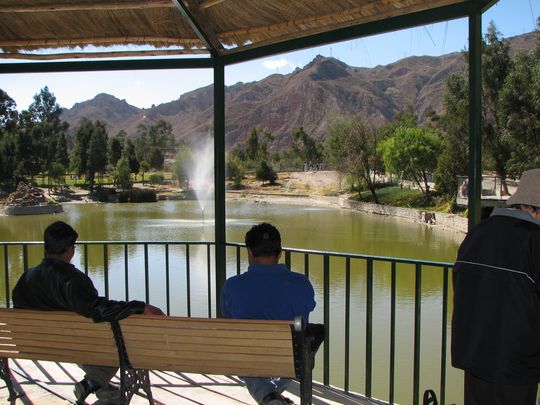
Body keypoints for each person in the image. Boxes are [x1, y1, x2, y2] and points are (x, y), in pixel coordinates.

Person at [12, 221, 164, 404]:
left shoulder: (26, 278)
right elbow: (98, 309)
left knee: (93, 339)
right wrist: (141, 307)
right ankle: (94, 381)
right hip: (78, 346)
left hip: (36, 346)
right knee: (120, 341)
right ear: (70, 250)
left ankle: (97, 383)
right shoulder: (73, 280)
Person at [451, 169, 540, 405]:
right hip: (516, 366)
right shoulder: (534, 241)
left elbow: (459, 288)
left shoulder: (478, 232)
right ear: (533, 208)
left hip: (474, 356)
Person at [220, 223, 316, 405]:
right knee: (299, 343)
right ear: (280, 253)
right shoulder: (301, 283)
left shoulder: (232, 286)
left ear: (249, 252)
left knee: (245, 352)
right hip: (290, 359)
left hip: (246, 357)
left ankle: (269, 397)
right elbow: (306, 309)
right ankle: (271, 397)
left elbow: (227, 314)